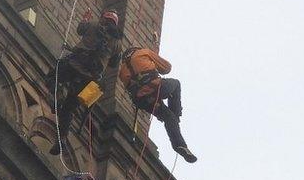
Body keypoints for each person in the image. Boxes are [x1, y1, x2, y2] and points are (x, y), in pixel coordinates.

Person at [48, 10, 123, 155]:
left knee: (53, 77)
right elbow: (114, 63)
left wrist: (85, 19)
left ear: (104, 18)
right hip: (93, 80)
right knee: (69, 109)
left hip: (76, 64)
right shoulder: (117, 43)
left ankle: (57, 98)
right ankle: (62, 138)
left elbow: (79, 29)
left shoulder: (94, 24)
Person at [119, 47, 197, 163]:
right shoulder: (143, 52)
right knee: (176, 84)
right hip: (157, 87)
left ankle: (180, 145)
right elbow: (167, 68)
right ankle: (176, 119)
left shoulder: (122, 71)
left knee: (167, 117)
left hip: (144, 100)